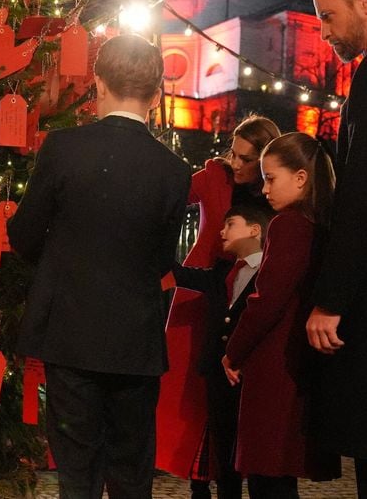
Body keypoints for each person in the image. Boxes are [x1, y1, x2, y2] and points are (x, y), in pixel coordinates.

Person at [7, 33, 191, 499]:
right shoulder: (173, 169)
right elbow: (162, 258)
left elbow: (25, 235)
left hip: (69, 330)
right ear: (156, 92)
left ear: (98, 82)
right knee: (131, 473)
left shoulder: (64, 148)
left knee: (77, 473)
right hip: (135, 338)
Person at [155, 115, 280, 499]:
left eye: (246, 159)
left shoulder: (275, 194)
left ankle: (234, 478)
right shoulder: (215, 176)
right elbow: (170, 194)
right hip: (202, 291)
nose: (236, 164)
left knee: (237, 396)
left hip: (250, 296)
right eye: (234, 153)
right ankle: (198, 480)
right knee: (192, 389)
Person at [307, 0, 367, 497]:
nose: (325, 32)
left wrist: (330, 298)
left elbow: (365, 192)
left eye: (328, 16)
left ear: (365, 1)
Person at [222, 132, 340, 498]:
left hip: (273, 365)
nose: (265, 189)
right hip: (298, 364)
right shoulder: (319, 226)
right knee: (278, 476)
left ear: (301, 177)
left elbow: (266, 299)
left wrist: (233, 350)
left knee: (267, 476)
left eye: (271, 178)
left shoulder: (288, 226)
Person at [171, 205, 272, 499]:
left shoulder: (270, 271)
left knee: (256, 461)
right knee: (224, 456)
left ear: (254, 230)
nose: (222, 231)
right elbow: (182, 275)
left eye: (231, 224)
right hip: (218, 377)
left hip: (250, 380)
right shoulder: (223, 271)